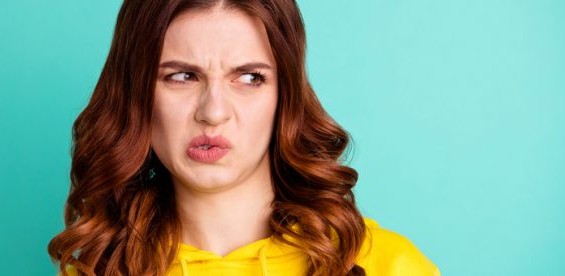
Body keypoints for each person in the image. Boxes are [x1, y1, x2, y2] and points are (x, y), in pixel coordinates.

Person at [48, 0, 440, 275]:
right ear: (137, 96)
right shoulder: (97, 270)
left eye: (250, 78)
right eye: (182, 76)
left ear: (284, 97)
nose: (213, 112)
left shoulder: (388, 266)